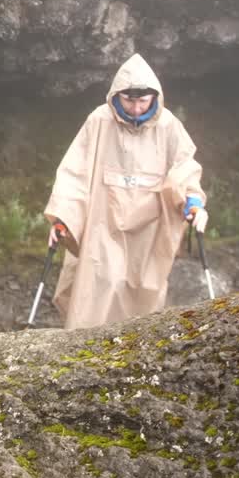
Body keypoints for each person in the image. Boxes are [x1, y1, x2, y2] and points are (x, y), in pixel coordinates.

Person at [44, 53, 208, 330]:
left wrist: (192, 202)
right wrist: (63, 217)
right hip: (103, 224)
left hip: (150, 228)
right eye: (129, 100)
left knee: (143, 292)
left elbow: (184, 167)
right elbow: (76, 171)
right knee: (95, 289)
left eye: (142, 101)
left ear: (154, 97)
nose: (135, 108)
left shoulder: (168, 125)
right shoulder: (99, 120)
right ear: (117, 96)